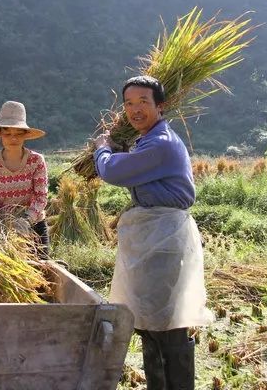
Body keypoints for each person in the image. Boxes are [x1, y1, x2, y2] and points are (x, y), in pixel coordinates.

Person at [93, 76, 213, 390]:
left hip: (163, 240)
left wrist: (102, 150)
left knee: (167, 325)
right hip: (155, 236)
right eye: (129, 103)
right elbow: (132, 165)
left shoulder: (161, 143)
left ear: (160, 106)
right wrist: (118, 150)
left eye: (143, 102)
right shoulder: (147, 141)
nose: (135, 109)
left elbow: (114, 171)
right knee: (148, 323)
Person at [0, 101, 50, 257]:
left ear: (25, 135)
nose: (13, 138)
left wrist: (25, 221)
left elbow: (41, 197)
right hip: (2, 230)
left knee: (42, 273)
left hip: (34, 227)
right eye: (8, 133)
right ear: (0, 134)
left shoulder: (36, 161)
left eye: (18, 133)